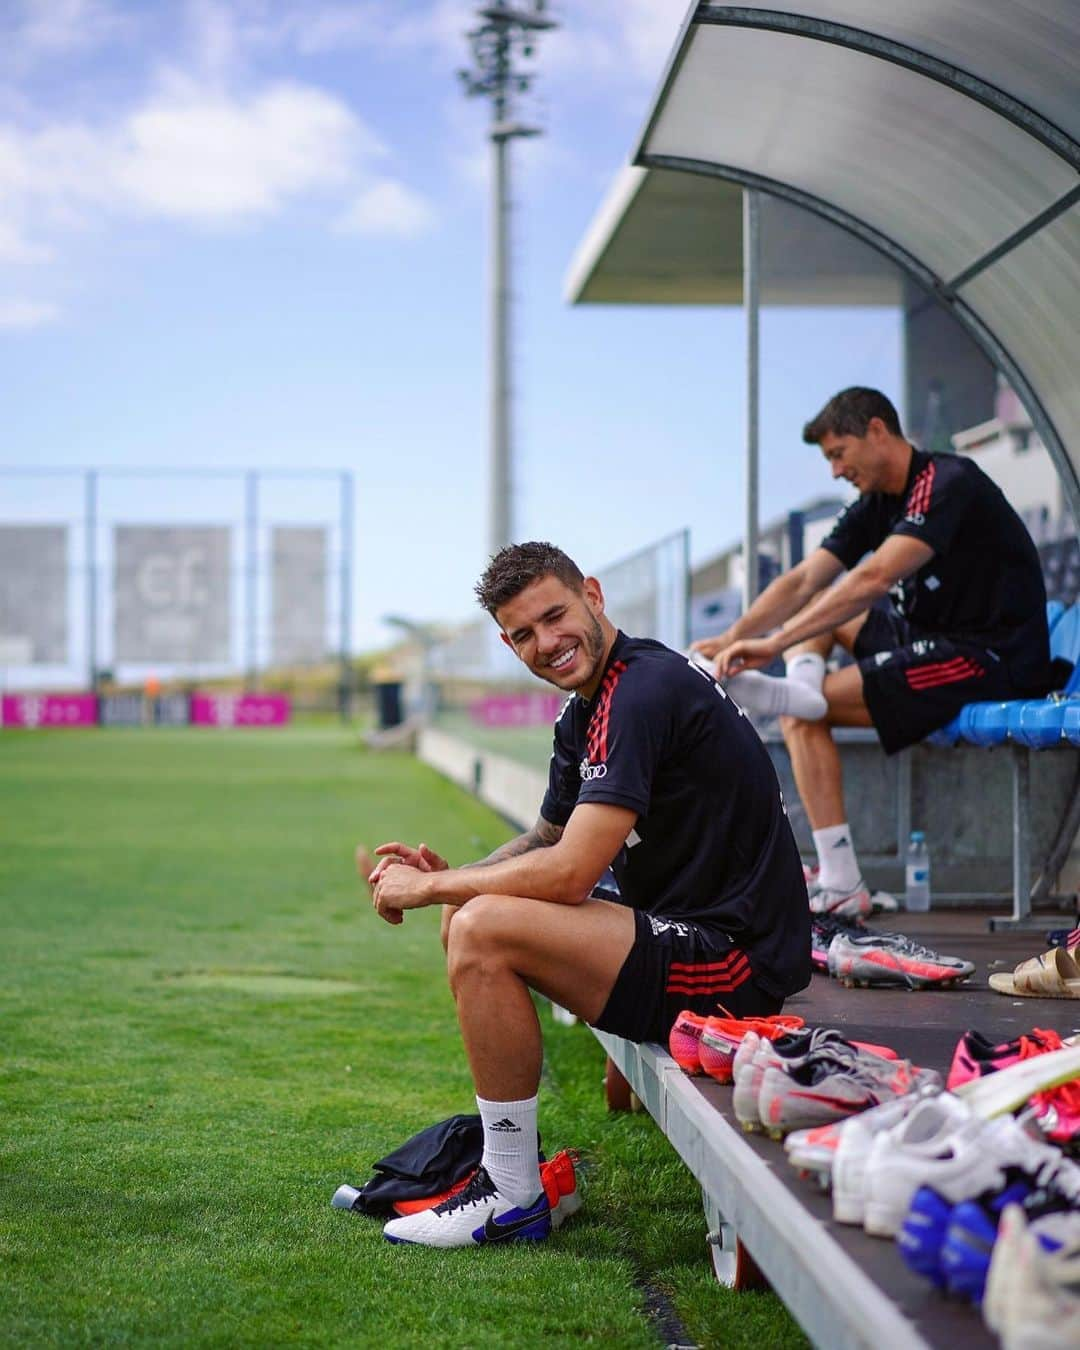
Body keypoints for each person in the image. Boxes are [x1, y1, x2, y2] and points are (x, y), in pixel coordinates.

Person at [362, 540, 810, 1248]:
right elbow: (544, 840)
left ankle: (512, 1196)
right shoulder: (587, 711)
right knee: (467, 922)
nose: (547, 643)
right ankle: (512, 1165)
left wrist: (437, 887)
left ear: (592, 595)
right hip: (684, 932)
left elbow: (570, 872)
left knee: (480, 928)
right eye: (523, 635)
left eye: (555, 615)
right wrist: (456, 879)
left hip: (736, 962)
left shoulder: (641, 691)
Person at [693, 387, 1053, 919]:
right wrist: (731, 638)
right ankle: (801, 697)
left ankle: (840, 880)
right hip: (922, 636)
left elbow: (874, 576)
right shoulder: (874, 503)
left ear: (878, 431)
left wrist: (774, 644)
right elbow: (802, 581)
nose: (836, 471)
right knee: (810, 647)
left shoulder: (948, 483)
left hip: (989, 658)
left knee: (797, 709)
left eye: (839, 454)